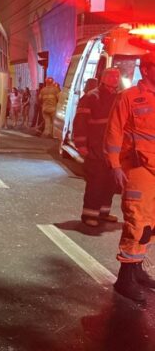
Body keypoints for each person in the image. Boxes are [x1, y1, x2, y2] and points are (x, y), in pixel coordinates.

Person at [105, 53, 155, 304]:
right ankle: (125, 277)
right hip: (138, 169)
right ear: (146, 70)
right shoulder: (129, 97)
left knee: (151, 224)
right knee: (136, 220)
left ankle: (136, 269)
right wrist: (114, 166)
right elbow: (113, 132)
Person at [73, 69, 121, 227]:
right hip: (96, 146)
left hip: (112, 148)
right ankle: (89, 215)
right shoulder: (91, 97)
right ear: (103, 78)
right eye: (111, 76)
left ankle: (103, 212)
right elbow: (80, 121)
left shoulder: (119, 96)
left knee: (110, 182)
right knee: (96, 182)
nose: (115, 79)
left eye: (117, 76)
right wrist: (81, 145)